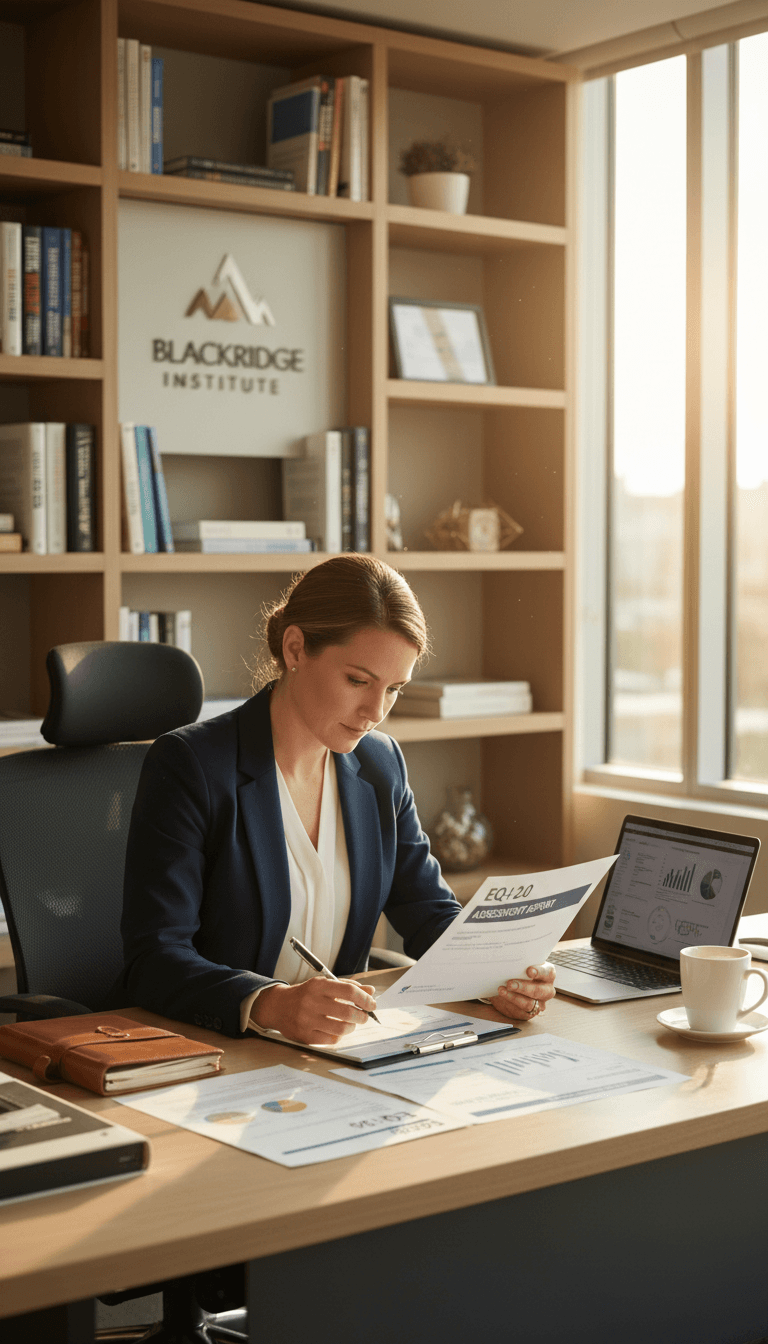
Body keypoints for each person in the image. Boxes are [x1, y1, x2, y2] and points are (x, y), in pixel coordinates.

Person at [109, 555, 555, 1042]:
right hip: (217, 1051)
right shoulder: (193, 765)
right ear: (295, 648)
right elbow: (155, 960)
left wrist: (498, 975)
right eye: (358, 681)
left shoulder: (380, 765)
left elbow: (428, 911)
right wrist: (269, 1004)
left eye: (394, 690)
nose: (375, 712)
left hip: (337, 1053)